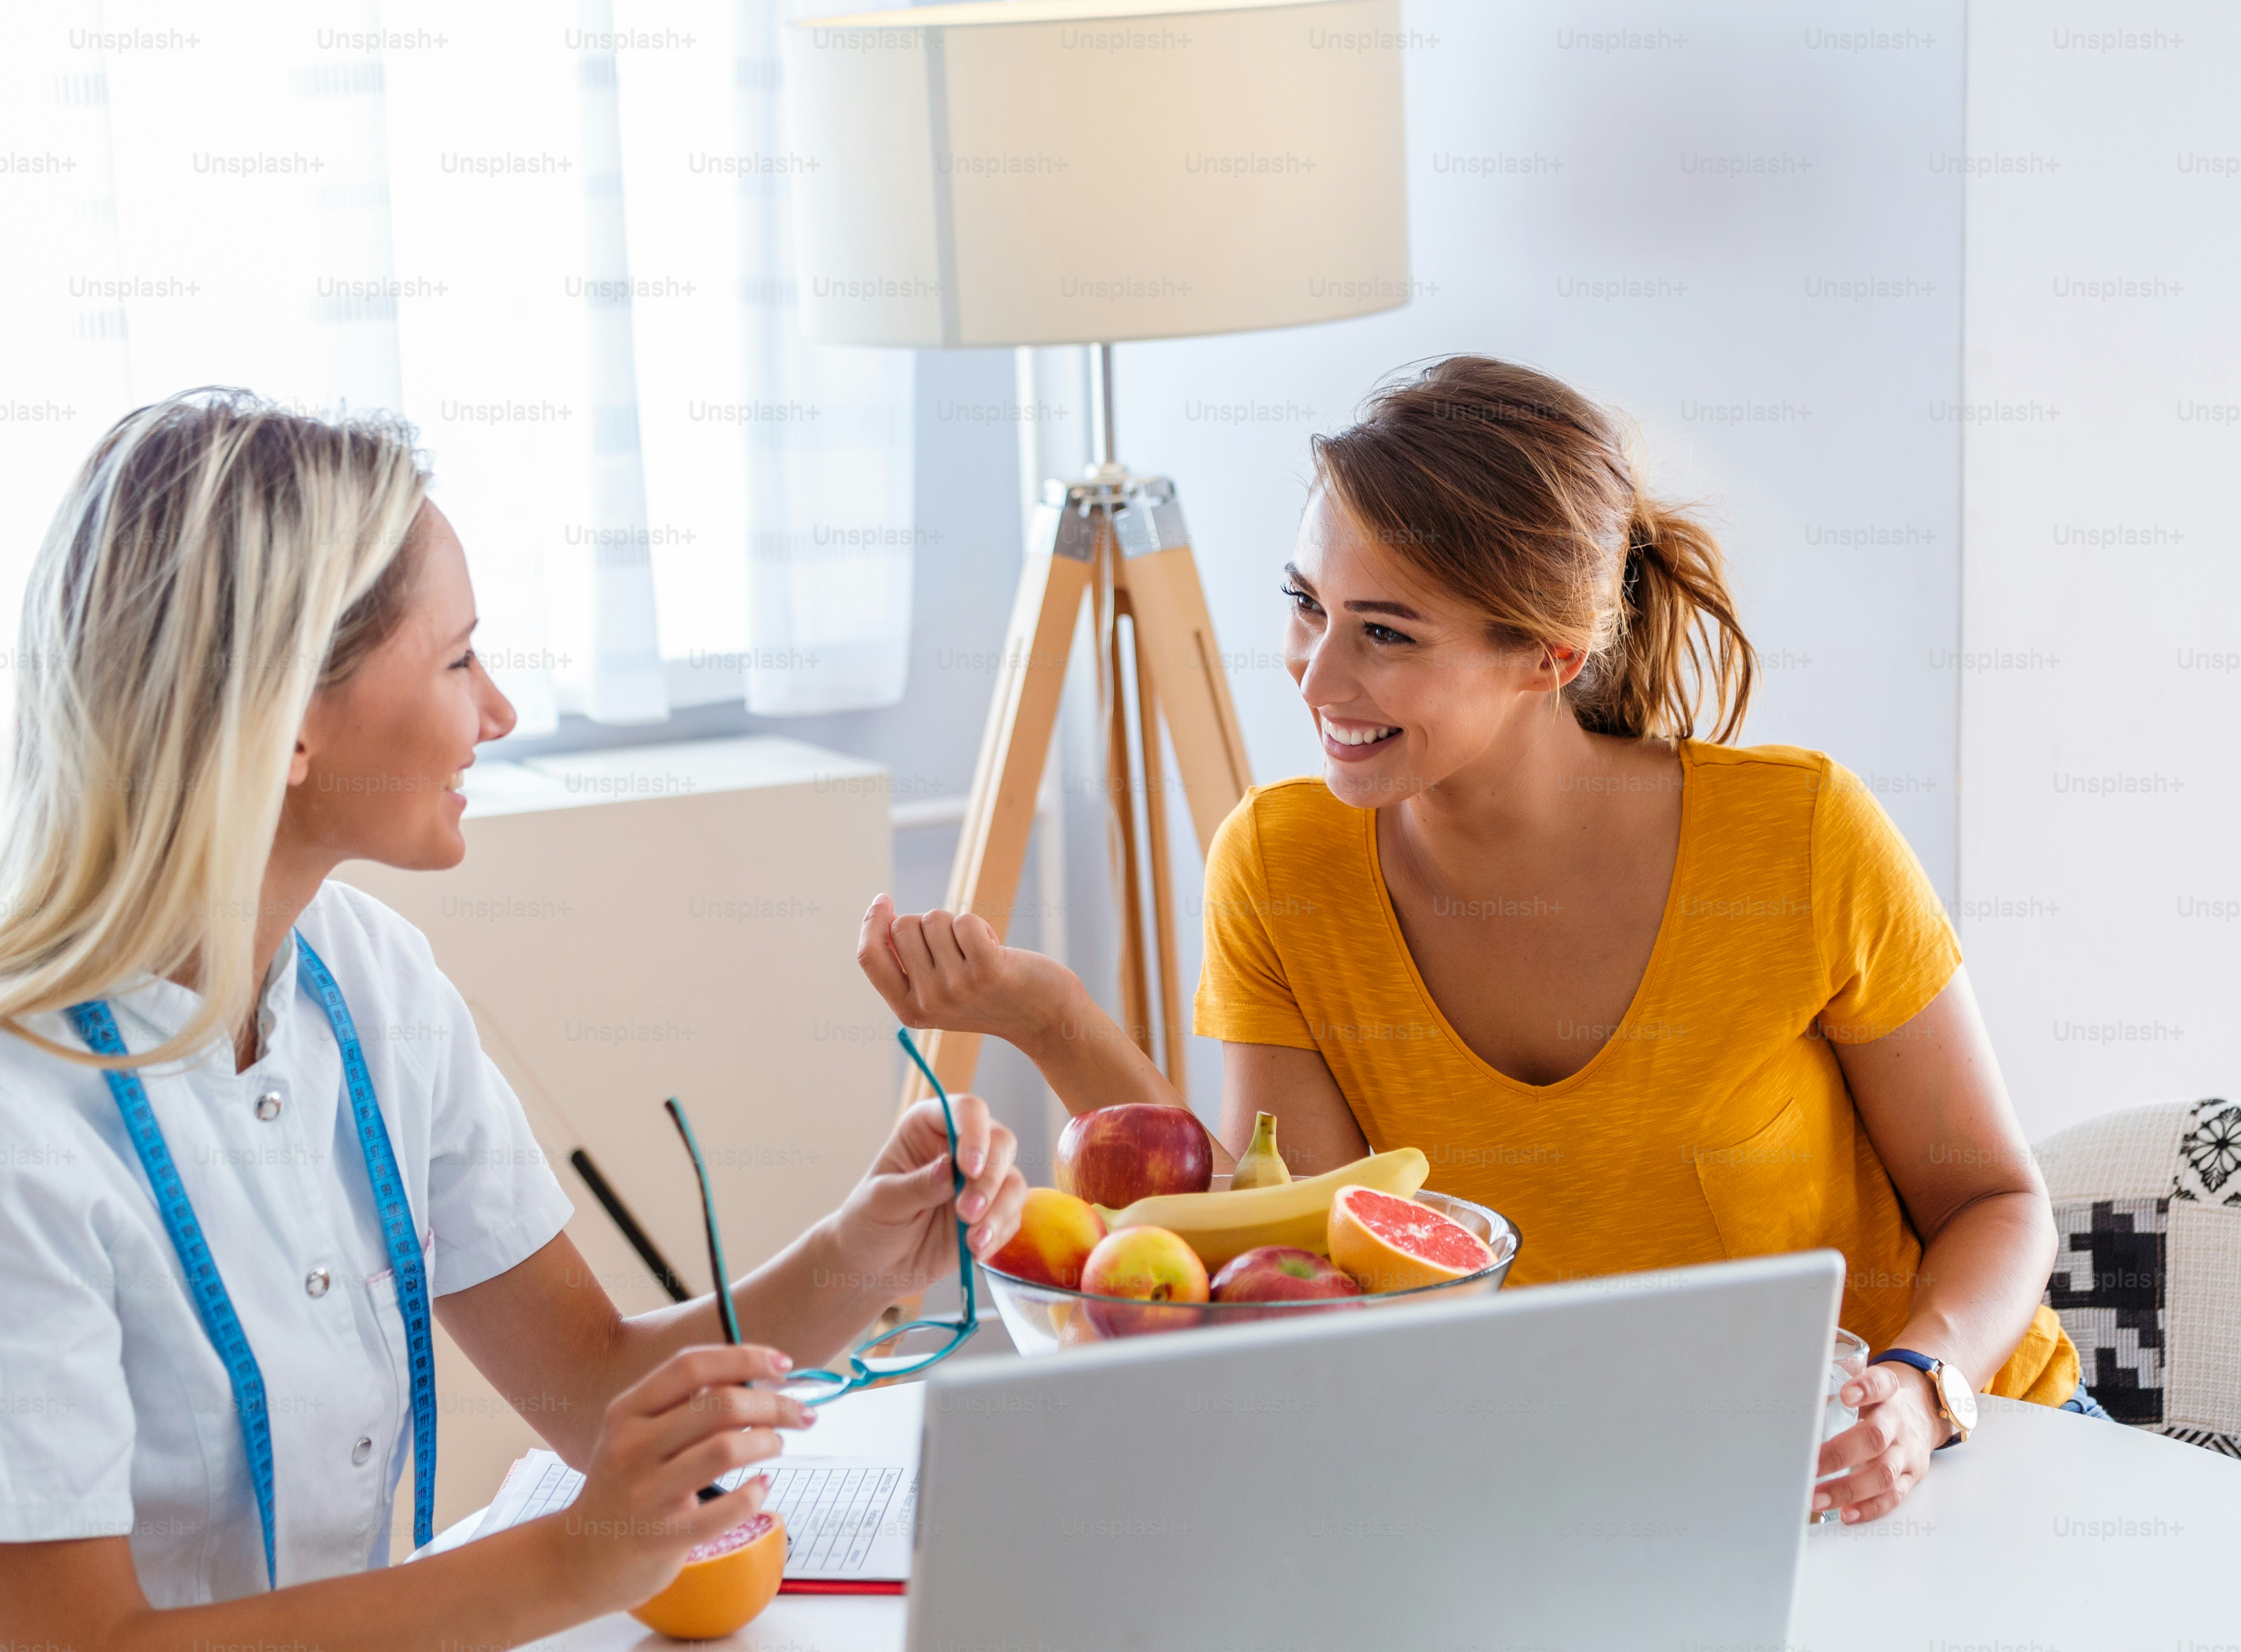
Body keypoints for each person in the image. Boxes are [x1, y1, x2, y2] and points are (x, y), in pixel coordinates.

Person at [0, 390, 1025, 1649]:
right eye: (460, 657)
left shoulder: (368, 979)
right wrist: (574, 1559)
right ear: (294, 721)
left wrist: (865, 1252)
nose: (500, 713)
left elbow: (590, 1387)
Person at [858, 355, 2083, 1528]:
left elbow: (1996, 1197)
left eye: (1385, 633)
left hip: (1954, 1458)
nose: (1316, 674)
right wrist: (1052, 1019)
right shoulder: (1279, 867)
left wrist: (1924, 1392)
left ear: (1548, 654)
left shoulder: (1802, 840)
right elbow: (1288, 1259)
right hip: (1608, 1493)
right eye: (1306, 606)